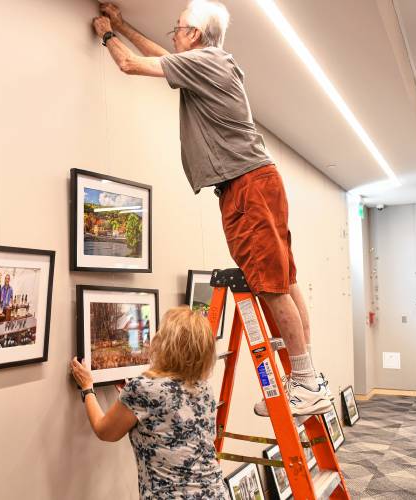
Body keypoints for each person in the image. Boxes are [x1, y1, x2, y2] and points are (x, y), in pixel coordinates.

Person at [92, 0, 331, 416]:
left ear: (196, 35)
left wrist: (107, 34)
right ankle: (306, 376)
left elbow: (131, 66)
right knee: (285, 278)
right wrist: (124, 23)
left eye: (178, 28)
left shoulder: (205, 62)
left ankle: (306, 382)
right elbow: (163, 56)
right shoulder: (211, 63)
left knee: (272, 286)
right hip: (258, 180)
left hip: (246, 185)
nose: (174, 34)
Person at [70, 307, 229, 499]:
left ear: (166, 344)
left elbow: (105, 431)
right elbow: (167, 415)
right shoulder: (203, 389)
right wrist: (130, 395)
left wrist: (87, 388)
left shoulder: (144, 390)